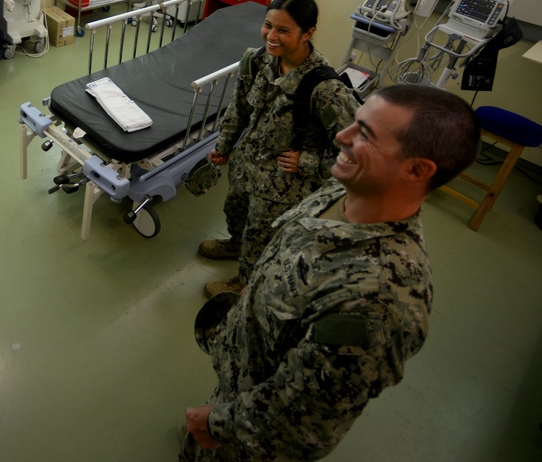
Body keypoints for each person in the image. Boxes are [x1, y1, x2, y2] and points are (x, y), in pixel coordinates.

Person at [181, 84, 480, 461]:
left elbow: (301, 422)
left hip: (252, 440)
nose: (342, 135)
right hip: (244, 374)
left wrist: (217, 426)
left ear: (417, 169)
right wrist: (254, 288)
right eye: (355, 122)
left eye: (365, 134)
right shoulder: (342, 190)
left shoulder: (378, 299)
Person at [199, 0, 358, 298]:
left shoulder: (324, 88)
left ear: (307, 33)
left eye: (283, 31)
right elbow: (239, 108)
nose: (271, 37)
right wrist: (225, 145)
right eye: (268, 25)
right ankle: (235, 243)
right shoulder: (259, 61)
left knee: (262, 237)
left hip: (282, 185)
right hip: (247, 164)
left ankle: (245, 284)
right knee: (236, 212)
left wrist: (308, 162)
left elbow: (352, 152)